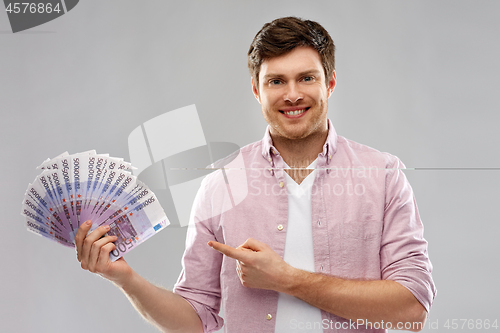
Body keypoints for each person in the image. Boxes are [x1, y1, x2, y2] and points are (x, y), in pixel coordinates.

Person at [75, 17, 436, 333]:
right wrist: (124, 278)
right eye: (276, 81)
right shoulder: (221, 184)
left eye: (306, 78)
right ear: (256, 90)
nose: (292, 95)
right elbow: (193, 320)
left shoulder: (383, 175)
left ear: (330, 82)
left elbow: (411, 309)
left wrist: (287, 280)